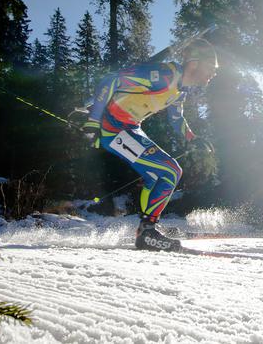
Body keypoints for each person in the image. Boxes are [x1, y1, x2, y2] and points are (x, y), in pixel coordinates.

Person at [83, 39, 218, 251]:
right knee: (170, 170)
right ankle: (147, 232)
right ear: (194, 63)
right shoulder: (163, 77)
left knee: (155, 176)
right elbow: (111, 80)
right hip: (114, 128)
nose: (214, 73)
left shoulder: (180, 90)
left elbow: (176, 119)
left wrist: (193, 138)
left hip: (131, 128)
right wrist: (92, 122)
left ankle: (145, 231)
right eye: (211, 66)